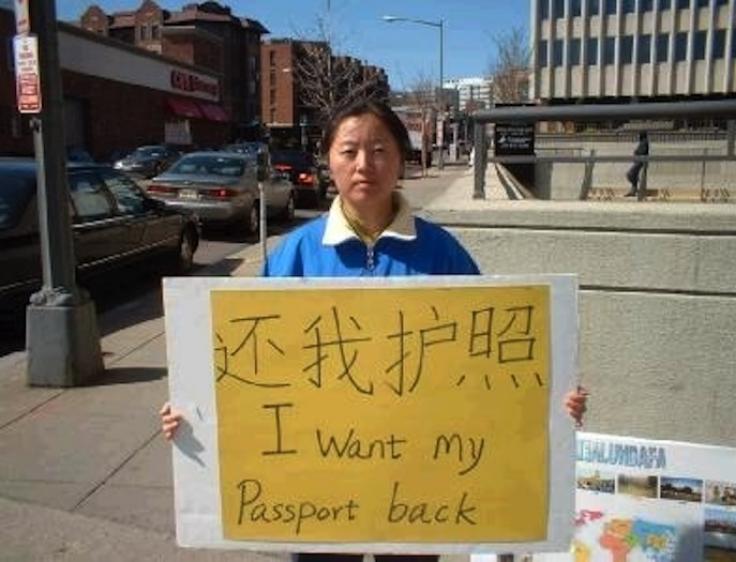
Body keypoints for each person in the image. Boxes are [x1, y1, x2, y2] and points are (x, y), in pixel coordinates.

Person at [160, 99, 589, 562]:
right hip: (317, 491)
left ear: (403, 160)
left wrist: (548, 404)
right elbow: (246, 365)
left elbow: (486, 368)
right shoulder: (295, 254)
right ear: (328, 160)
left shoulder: (443, 254)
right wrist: (193, 409)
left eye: (380, 150)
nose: (365, 164)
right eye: (349, 151)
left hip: (421, 486)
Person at [624, 131, 649, 197]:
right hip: (639, 161)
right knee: (633, 175)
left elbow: (642, 152)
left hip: (640, 162)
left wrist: (636, 152)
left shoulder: (644, 142)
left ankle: (635, 189)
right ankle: (633, 190)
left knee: (630, 174)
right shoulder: (643, 142)